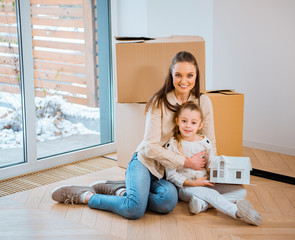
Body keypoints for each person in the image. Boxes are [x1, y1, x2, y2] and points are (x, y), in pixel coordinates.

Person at [51, 51, 216, 219]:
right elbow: (150, 147)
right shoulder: (158, 102)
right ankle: (86, 196)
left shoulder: (203, 102)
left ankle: (122, 191)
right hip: (146, 163)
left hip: (169, 172)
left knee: (167, 202)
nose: (184, 81)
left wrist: (213, 171)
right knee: (134, 209)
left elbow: (210, 142)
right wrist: (187, 161)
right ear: (171, 76)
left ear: (196, 76)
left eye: (190, 75)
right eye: (178, 75)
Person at [165, 101, 262, 225]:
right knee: (212, 194)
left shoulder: (204, 142)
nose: (188, 126)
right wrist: (192, 183)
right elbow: (171, 175)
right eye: (184, 121)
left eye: (193, 122)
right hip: (186, 187)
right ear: (177, 121)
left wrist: (219, 175)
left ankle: (201, 205)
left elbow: (212, 163)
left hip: (205, 182)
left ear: (200, 125)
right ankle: (238, 213)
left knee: (241, 191)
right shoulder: (172, 145)